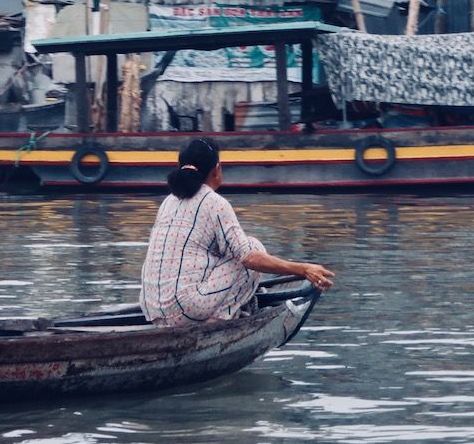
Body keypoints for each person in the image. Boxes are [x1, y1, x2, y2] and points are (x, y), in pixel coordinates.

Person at [141, 137, 334, 326]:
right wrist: (303, 268)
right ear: (216, 170)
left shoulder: (168, 201)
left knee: (232, 252)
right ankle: (217, 322)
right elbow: (249, 258)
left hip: (153, 310)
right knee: (252, 248)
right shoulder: (214, 203)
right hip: (185, 311)